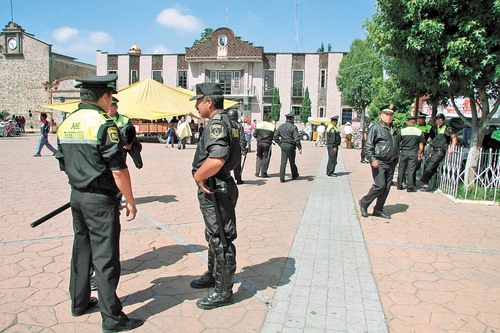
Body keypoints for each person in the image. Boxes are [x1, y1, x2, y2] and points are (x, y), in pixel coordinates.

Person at [55, 74, 143, 332]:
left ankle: (79, 303)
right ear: (104, 97)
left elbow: (63, 162)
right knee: (105, 257)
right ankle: (113, 319)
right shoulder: (103, 124)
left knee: (81, 250)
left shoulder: (67, 123)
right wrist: (130, 200)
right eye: (110, 99)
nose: (110, 103)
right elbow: (118, 170)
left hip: (77, 196)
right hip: (100, 201)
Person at [189, 82, 241, 309]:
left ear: (208, 101)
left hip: (215, 186)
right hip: (221, 184)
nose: (197, 107)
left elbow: (217, 158)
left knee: (221, 239)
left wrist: (199, 177)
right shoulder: (230, 121)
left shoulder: (218, 124)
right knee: (213, 234)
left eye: (198, 102)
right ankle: (213, 275)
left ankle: (223, 292)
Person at [359, 105, 400, 219]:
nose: (389, 116)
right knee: (380, 185)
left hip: (391, 162)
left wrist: (397, 158)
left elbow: (396, 144)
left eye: (391, 114)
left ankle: (378, 209)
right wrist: (372, 159)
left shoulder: (394, 129)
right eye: (386, 114)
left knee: (386, 187)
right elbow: (368, 145)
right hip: (379, 162)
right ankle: (364, 202)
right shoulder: (376, 128)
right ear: (382, 115)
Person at [420, 113, 457, 192]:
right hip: (434, 150)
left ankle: (423, 178)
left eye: (439, 119)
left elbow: (454, 138)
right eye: (436, 119)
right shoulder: (437, 128)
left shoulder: (447, 128)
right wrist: (432, 150)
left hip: (440, 151)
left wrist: (451, 148)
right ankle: (431, 187)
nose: (437, 121)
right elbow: (435, 141)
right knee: (433, 169)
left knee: (430, 166)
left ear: (443, 120)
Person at [107, 97, 143, 169]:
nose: (110, 108)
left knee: (120, 168)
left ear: (116, 107)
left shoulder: (125, 119)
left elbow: (132, 132)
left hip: (121, 149)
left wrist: (129, 143)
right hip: (108, 148)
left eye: (112, 106)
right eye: (108, 106)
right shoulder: (102, 119)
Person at [397, 115, 425, 192]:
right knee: (411, 170)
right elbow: (421, 145)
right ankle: (410, 187)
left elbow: (397, 141)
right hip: (413, 153)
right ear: (415, 122)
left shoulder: (402, 131)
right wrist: (420, 153)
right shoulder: (419, 131)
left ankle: (399, 185)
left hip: (404, 152)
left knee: (401, 169)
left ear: (407, 121)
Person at [273, 111, 303, 183]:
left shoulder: (281, 126)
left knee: (283, 162)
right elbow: (296, 138)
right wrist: (299, 147)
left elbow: (275, 136)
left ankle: (282, 178)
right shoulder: (294, 127)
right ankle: (294, 175)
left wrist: (280, 143)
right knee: (292, 161)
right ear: (292, 119)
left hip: (283, 145)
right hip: (291, 146)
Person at [228, 109, 247, 184]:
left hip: (227, 147)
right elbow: (242, 139)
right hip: (236, 148)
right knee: (237, 164)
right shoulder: (239, 126)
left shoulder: (226, 124)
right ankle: (238, 179)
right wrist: (243, 150)